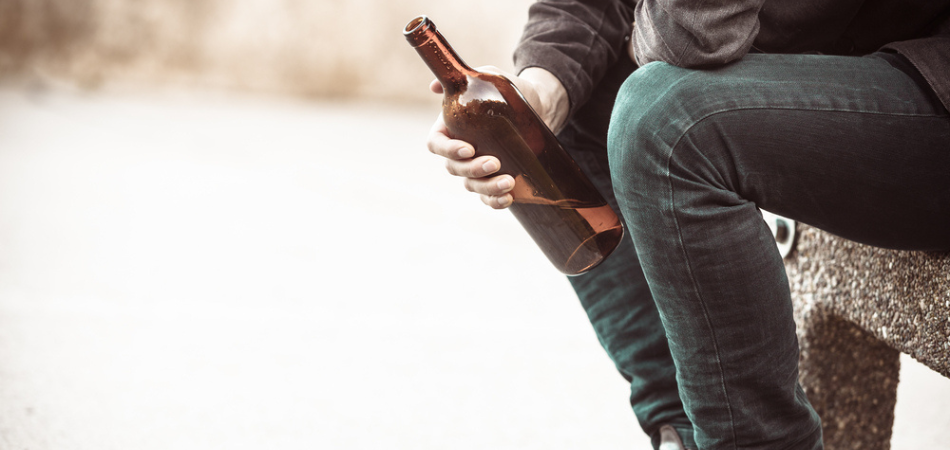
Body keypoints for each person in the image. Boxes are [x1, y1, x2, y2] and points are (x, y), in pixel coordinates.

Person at [425, 1, 950, 449]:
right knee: (572, 103)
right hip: (864, 55)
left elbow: (693, 36)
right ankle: (683, 432)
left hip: (933, 76)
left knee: (664, 121)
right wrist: (538, 90)